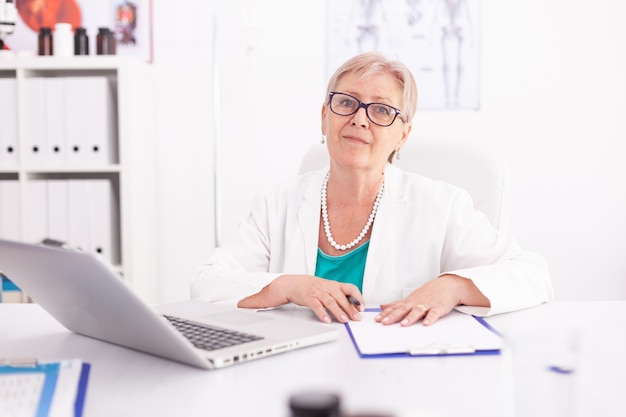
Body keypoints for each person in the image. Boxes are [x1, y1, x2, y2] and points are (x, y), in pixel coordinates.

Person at [191, 51, 553, 326]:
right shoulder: (277, 203)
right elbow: (207, 283)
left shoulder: (441, 206)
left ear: (403, 134)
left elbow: (533, 274)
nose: (359, 118)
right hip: (292, 375)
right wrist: (288, 286)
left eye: (381, 110)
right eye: (346, 102)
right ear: (324, 116)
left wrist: (453, 286)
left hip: (398, 380)